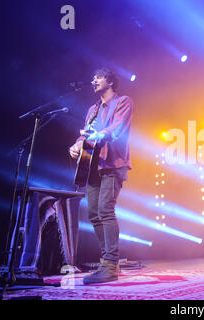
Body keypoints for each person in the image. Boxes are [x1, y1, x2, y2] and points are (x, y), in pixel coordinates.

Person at [69, 67, 133, 284]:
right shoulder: (92, 110)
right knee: (94, 214)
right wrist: (77, 145)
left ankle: (109, 264)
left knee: (106, 210)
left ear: (110, 81)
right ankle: (108, 262)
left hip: (113, 163)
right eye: (93, 76)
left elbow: (116, 129)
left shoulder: (123, 101)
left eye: (98, 76)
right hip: (92, 166)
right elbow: (87, 135)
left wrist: (96, 134)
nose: (93, 79)